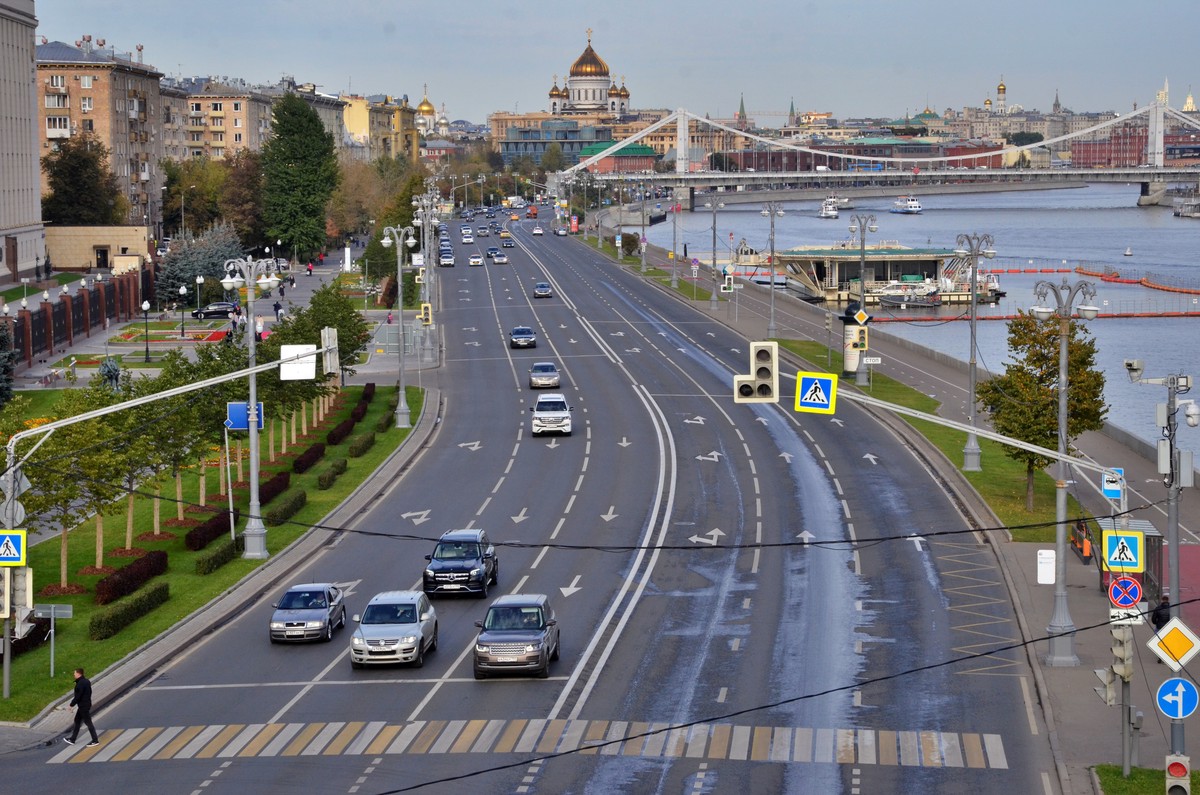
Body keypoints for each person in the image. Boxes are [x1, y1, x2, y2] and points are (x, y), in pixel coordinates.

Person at [64, 667, 99, 746]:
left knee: (88, 722)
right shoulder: (86, 681)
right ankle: (72, 739)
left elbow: (78, 696)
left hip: (83, 706)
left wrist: (71, 705)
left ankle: (95, 740)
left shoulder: (80, 684)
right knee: (77, 720)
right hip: (86, 704)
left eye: (74, 673)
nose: (74, 674)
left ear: (78, 674)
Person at [1153, 595, 1172, 662]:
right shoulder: (1172, 608)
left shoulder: (1158, 608)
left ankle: (1160, 657)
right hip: (1169, 627)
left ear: (1162, 600)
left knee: (1159, 641)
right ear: (1168, 600)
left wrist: (1157, 623)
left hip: (1159, 627)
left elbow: (1153, 619)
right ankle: (1167, 656)